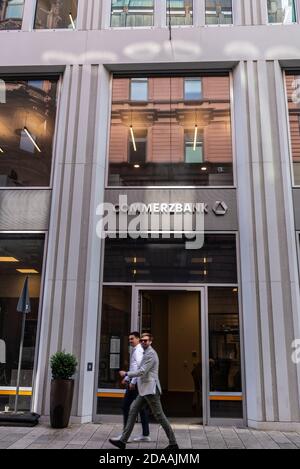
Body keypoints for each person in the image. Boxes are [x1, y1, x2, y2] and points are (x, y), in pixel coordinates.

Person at [109, 333, 179, 450]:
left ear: (151, 341)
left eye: (145, 341)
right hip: (144, 390)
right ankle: (123, 441)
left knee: (159, 416)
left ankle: (173, 444)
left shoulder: (151, 354)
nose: (143, 342)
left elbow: (142, 372)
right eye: (142, 340)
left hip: (151, 390)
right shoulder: (145, 352)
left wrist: (126, 374)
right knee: (132, 411)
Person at [113, 332, 150, 442]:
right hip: (138, 383)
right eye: (129, 339)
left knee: (125, 407)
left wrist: (132, 381)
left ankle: (125, 435)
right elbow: (135, 367)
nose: (130, 341)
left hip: (135, 384)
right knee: (142, 409)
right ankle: (145, 434)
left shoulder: (138, 350)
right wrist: (127, 378)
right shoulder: (137, 350)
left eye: (132, 339)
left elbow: (139, 367)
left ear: (138, 339)